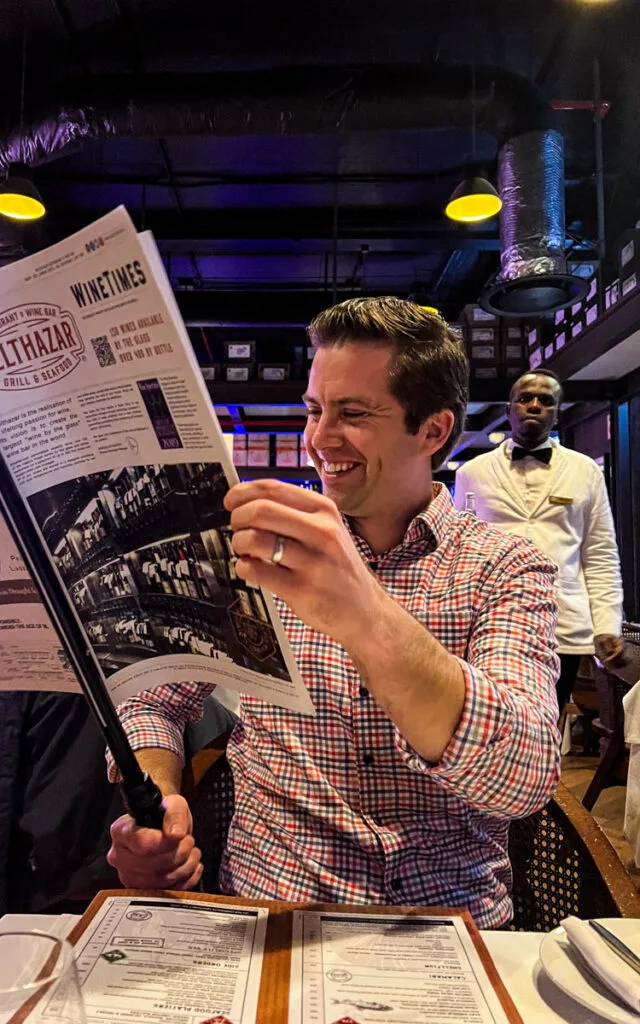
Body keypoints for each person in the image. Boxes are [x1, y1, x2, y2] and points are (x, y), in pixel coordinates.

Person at [107, 297, 561, 929]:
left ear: (432, 430)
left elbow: (526, 776)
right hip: (275, 910)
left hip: (444, 926)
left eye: (353, 413)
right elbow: (155, 698)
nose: (319, 439)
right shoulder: (254, 552)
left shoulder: (505, 566)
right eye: (315, 411)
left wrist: (364, 612)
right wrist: (158, 802)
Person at [455, 369, 624, 713]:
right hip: (494, 620)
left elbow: (600, 552)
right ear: (509, 409)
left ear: (557, 412)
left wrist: (607, 623)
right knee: (496, 719)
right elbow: (460, 551)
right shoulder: (471, 472)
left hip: (564, 623)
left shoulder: (585, 470)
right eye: (525, 398)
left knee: (550, 720)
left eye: (545, 401)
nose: (534, 405)